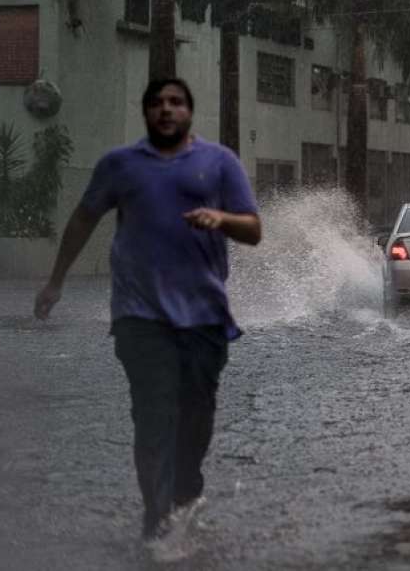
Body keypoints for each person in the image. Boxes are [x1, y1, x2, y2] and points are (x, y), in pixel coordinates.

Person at [33, 78, 261, 560]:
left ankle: (185, 491)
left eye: (175, 103)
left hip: (203, 318)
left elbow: (254, 229)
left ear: (189, 112)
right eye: (156, 103)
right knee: (153, 416)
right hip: (139, 317)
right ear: (145, 113)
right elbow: (82, 219)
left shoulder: (219, 163)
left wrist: (221, 220)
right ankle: (156, 520)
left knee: (195, 421)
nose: (166, 110)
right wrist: (56, 281)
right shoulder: (121, 165)